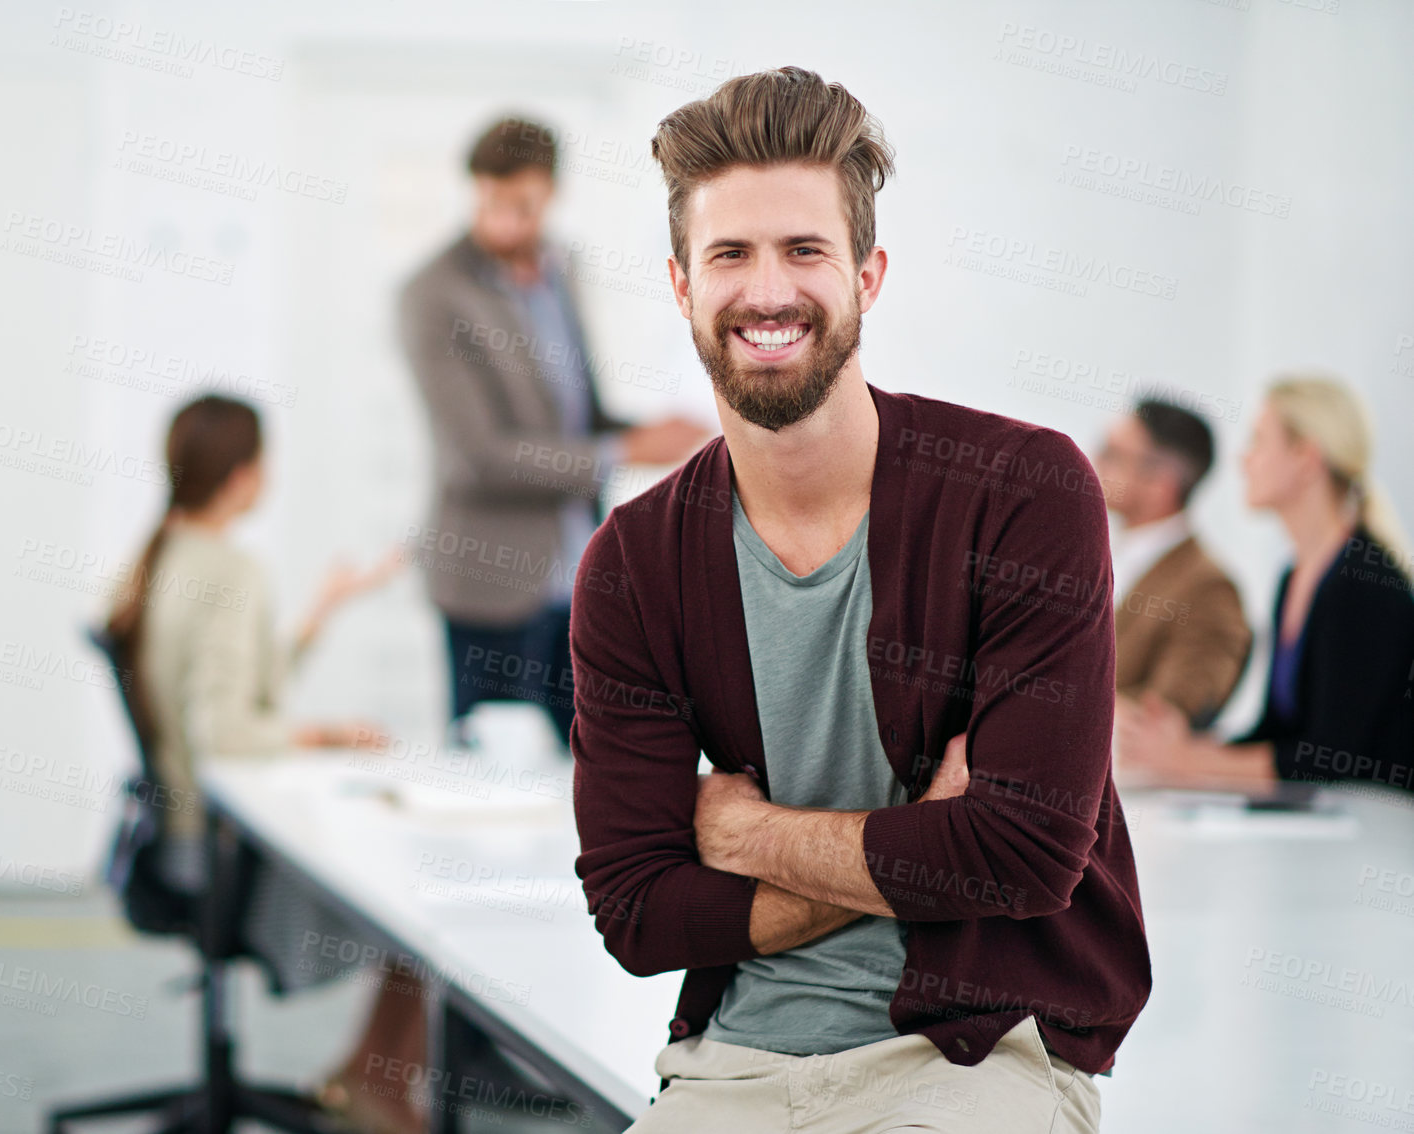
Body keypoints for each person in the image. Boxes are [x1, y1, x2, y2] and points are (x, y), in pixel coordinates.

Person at [568, 68, 1148, 1133]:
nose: (767, 291)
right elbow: (639, 913)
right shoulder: (635, 561)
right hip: (731, 1064)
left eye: (804, 251)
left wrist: (747, 838)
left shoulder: (1025, 494)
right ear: (681, 284)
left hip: (975, 1058)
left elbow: (1022, 856)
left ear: (868, 276)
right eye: (729, 254)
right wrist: (923, 841)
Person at [106, 394, 426, 1134]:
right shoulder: (231, 571)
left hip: (173, 846)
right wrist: (321, 735)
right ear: (244, 476)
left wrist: (322, 609)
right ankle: (374, 1085)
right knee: (418, 903)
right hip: (221, 855)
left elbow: (234, 696)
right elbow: (226, 733)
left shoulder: (157, 559)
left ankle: (364, 1081)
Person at [397, 115, 711, 748]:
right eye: (490, 202)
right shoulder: (433, 293)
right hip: (489, 585)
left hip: (577, 579)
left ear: (551, 194)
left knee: (591, 766)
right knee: (494, 779)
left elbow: (574, 416)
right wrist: (624, 451)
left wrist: (651, 434)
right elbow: (480, 457)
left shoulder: (563, 271)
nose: (503, 221)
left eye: (522, 205)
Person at [1116, 375, 1414, 795]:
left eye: (1258, 441)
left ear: (1306, 458)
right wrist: (1185, 749)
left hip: (1380, 829)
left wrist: (1188, 760)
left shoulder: (1364, 584)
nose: (1244, 460)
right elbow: (1277, 732)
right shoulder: (1293, 578)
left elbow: (1327, 756)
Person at [1094, 400, 1251, 728]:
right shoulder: (1091, 552)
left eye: (1112, 454)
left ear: (1161, 483)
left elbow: (1166, 716)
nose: (1094, 461)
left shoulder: (1209, 588)